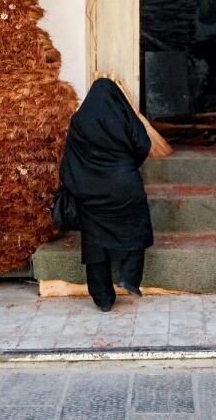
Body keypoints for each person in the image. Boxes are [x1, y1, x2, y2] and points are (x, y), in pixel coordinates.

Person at [58, 78, 153, 311]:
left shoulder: (79, 121)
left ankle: (103, 299)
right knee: (137, 224)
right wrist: (126, 166)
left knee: (93, 241)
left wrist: (79, 181)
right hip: (125, 186)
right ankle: (129, 277)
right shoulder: (122, 116)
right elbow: (143, 143)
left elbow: (67, 162)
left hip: (89, 190)